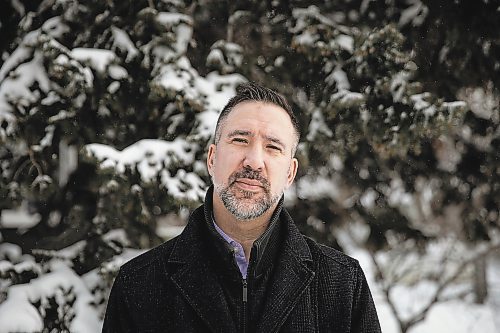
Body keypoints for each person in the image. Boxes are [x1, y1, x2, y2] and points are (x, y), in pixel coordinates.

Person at [102, 82, 381, 333]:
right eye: (240, 140)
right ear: (212, 158)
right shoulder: (140, 285)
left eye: (273, 147)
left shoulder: (343, 284)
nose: (254, 161)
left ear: (290, 173)